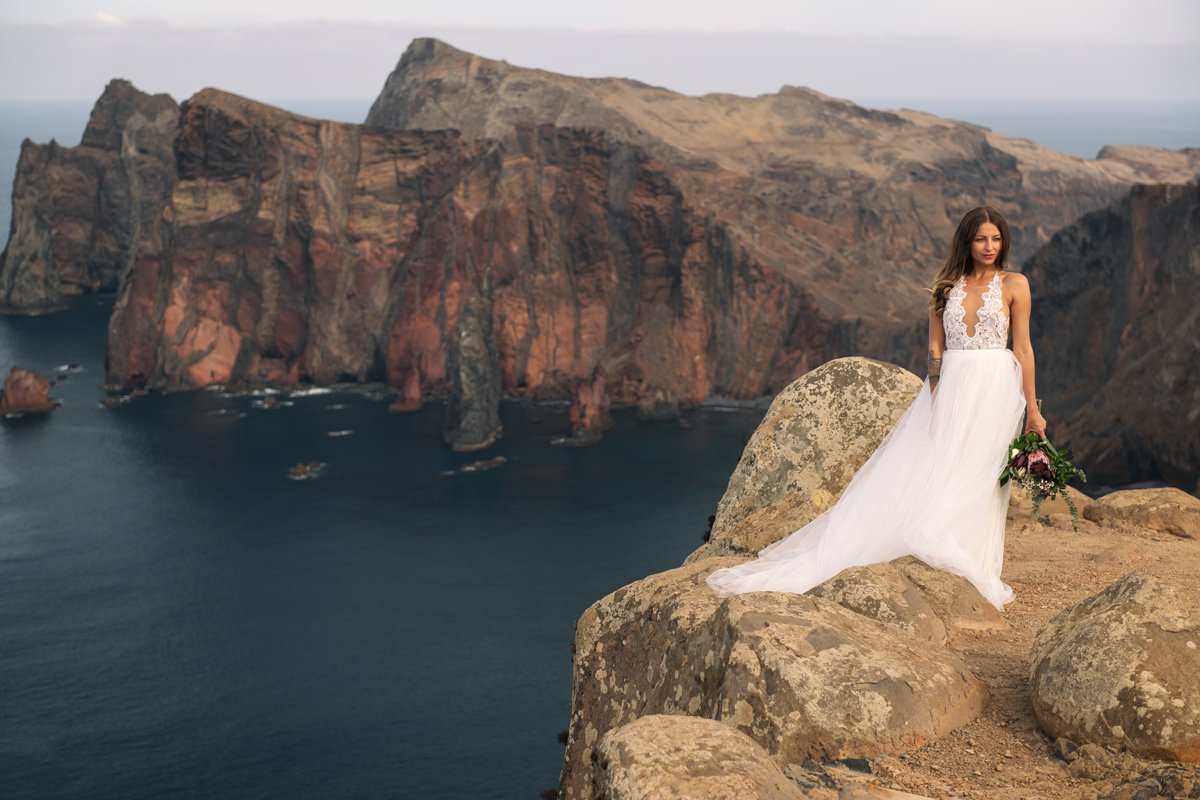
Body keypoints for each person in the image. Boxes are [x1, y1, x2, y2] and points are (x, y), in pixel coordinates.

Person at [705, 206, 1046, 611]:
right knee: (939, 465)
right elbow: (935, 348)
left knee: (982, 474)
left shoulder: (1015, 284)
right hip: (951, 387)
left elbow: (1022, 347)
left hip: (994, 385)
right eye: (980, 239)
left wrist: (1033, 408)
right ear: (966, 242)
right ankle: (933, 543)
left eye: (995, 238)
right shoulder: (945, 288)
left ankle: (973, 561)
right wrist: (935, 394)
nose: (989, 247)